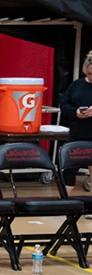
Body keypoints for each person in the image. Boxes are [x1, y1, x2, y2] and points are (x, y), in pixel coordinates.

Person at [60, 50, 92, 195]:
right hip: (77, 135)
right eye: (89, 74)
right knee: (69, 171)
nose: (91, 77)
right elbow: (64, 105)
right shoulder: (76, 85)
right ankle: (64, 205)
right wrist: (76, 112)